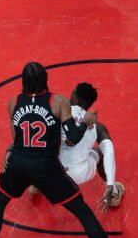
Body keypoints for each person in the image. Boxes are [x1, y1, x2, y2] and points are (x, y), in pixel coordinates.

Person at [0, 62, 138, 238]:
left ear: (23, 81)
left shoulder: (13, 102)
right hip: (46, 168)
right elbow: (72, 138)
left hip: (19, 163)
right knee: (83, 212)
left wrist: (10, 152)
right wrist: (86, 123)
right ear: (45, 80)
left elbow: (17, 138)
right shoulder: (58, 101)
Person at [30, 82, 125, 212]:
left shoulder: (55, 114)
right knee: (101, 152)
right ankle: (113, 192)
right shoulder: (98, 127)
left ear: (76, 99)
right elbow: (109, 151)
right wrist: (110, 184)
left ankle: (36, 184)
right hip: (76, 175)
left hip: (48, 172)